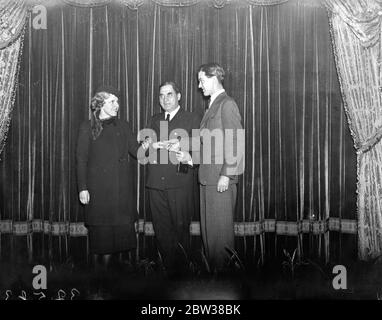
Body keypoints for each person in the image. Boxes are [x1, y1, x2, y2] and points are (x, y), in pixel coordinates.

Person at [176, 63, 244, 273]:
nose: (199, 85)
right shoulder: (213, 106)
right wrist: (189, 158)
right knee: (210, 237)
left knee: (220, 239)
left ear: (214, 77)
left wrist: (226, 174)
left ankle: (224, 286)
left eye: (202, 80)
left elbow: (236, 142)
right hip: (207, 179)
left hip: (219, 181)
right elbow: (209, 146)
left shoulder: (227, 104)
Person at [76, 85, 141, 272]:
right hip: (99, 196)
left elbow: (137, 152)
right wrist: (82, 188)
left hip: (121, 195)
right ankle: (99, 287)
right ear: (100, 104)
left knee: (120, 246)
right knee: (102, 246)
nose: (117, 105)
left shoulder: (124, 125)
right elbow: (81, 159)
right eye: (112, 101)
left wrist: (152, 145)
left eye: (118, 101)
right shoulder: (86, 127)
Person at [144, 81, 201, 278]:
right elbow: (147, 152)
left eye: (169, 94)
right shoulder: (154, 119)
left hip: (180, 184)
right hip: (155, 185)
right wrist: (148, 145)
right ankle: (166, 276)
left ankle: (182, 278)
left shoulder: (191, 118)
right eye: (161, 95)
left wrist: (187, 157)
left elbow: (200, 150)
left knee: (180, 230)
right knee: (161, 232)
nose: (165, 99)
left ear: (179, 96)